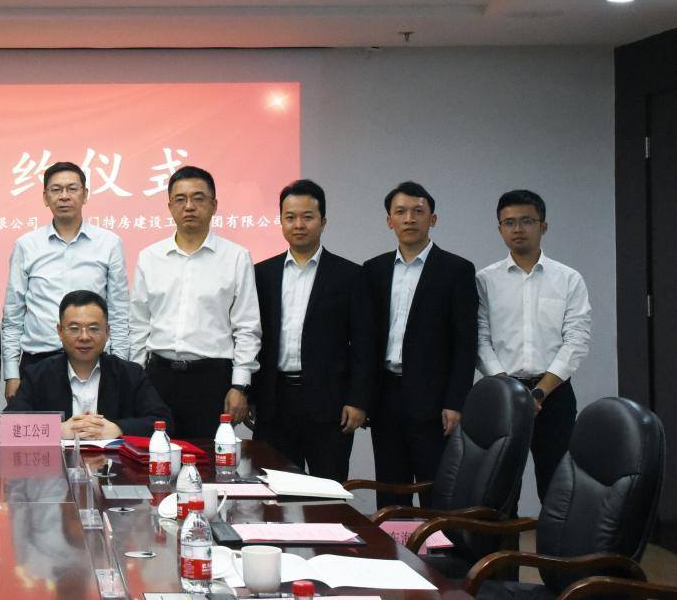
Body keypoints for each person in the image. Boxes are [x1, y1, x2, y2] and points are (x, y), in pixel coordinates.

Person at [361, 181, 477, 507]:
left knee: (435, 488)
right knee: (390, 488)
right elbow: (366, 340)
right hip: (386, 396)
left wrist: (456, 402)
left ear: (433, 219)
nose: (409, 218)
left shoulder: (456, 270)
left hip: (435, 400)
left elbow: (465, 343)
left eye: (418, 211)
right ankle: (393, 541)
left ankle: (435, 543)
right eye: (400, 212)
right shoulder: (373, 270)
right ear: (390, 221)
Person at [477, 189, 591, 503]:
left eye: (527, 221)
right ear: (499, 229)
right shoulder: (485, 280)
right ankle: (504, 539)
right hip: (502, 394)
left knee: (557, 487)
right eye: (509, 222)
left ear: (543, 226)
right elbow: (480, 339)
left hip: (554, 395)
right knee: (499, 488)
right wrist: (510, 390)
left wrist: (539, 393)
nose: (518, 229)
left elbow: (576, 340)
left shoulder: (568, 279)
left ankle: (553, 540)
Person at [130, 166, 261, 437]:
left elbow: (247, 328)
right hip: (159, 377)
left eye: (198, 198)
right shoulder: (150, 257)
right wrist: (135, 380)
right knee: (156, 455)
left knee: (208, 458)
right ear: (169, 206)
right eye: (180, 199)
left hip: (211, 380)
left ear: (214, 205)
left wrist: (240, 385)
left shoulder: (236, 257)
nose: (189, 206)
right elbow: (139, 325)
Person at [252, 180, 371, 481]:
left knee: (327, 489)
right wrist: (251, 394)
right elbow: (252, 338)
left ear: (323, 222)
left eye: (308, 217)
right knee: (275, 489)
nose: (299, 225)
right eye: (290, 217)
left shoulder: (350, 275)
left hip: (329, 405)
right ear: (281, 221)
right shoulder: (261, 274)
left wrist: (358, 400)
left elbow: (364, 345)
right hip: (275, 401)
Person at [1, 161, 131, 402]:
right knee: (40, 427)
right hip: (38, 361)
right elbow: (13, 315)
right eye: (56, 189)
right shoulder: (26, 245)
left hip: (94, 362)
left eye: (72, 189)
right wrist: (11, 373)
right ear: (45, 197)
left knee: (94, 426)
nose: (64, 196)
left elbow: (119, 312)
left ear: (85, 194)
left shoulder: (109, 243)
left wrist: (121, 367)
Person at [5, 290, 173, 438]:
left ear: (107, 331)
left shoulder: (130, 374)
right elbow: (7, 426)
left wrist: (119, 428)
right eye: (74, 328)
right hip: (57, 463)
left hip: (114, 463)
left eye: (93, 328)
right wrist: (56, 430)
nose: (84, 337)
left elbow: (164, 422)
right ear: (60, 331)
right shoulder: (38, 374)